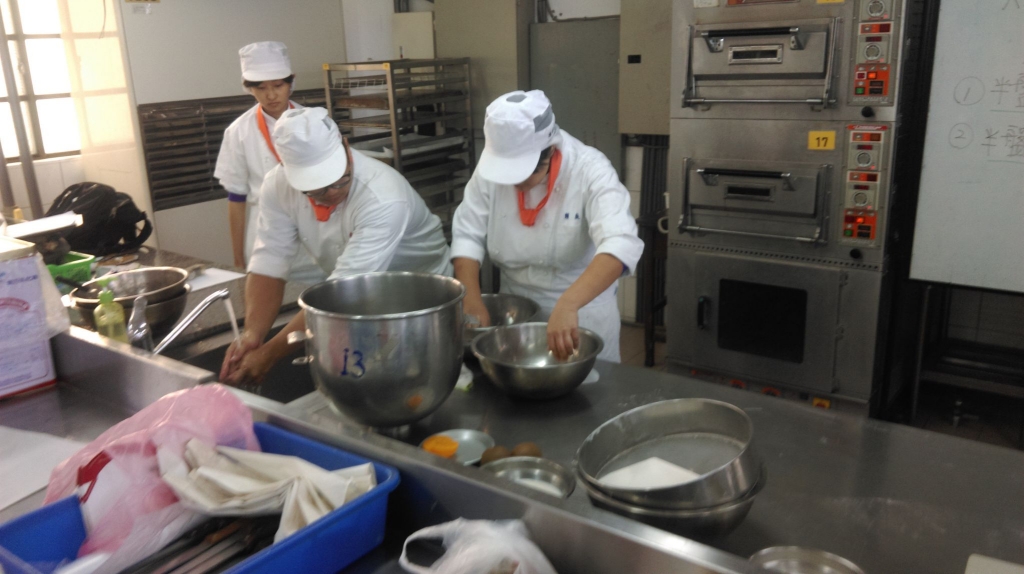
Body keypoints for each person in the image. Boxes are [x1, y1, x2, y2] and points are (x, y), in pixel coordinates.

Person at [220, 106, 452, 384]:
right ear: (286, 169)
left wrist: (270, 353)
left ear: (346, 146)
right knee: (366, 379)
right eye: (316, 189)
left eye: (340, 180)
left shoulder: (382, 196)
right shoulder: (277, 186)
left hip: (420, 300)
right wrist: (252, 335)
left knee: (417, 378)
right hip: (355, 300)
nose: (331, 193)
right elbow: (269, 261)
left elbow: (345, 288)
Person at [451, 90, 643, 362]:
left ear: (551, 150)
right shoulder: (491, 168)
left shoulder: (590, 169)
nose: (513, 183)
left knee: (590, 385)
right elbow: (467, 234)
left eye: (524, 174)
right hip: (516, 311)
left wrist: (569, 304)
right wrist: (470, 296)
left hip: (581, 313)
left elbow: (621, 244)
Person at [213, 41, 321, 282]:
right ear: (248, 88)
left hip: (314, 235)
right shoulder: (239, 131)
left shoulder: (314, 122)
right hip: (265, 238)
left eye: (278, 85)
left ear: (292, 82)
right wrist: (238, 260)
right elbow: (236, 197)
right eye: (261, 88)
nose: (271, 95)